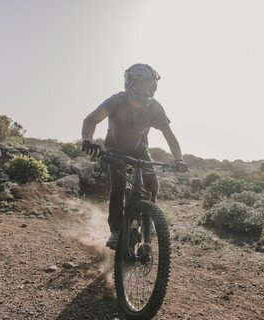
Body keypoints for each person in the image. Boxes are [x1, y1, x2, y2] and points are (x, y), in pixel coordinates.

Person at [81, 63, 188, 249]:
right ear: (130, 84)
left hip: (139, 149)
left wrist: (178, 159)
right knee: (119, 182)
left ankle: (145, 218)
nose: (147, 90)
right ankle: (115, 229)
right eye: (142, 85)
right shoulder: (116, 101)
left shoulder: (154, 108)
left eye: (151, 86)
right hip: (114, 148)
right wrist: (87, 141)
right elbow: (91, 119)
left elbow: (169, 136)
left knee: (152, 183)